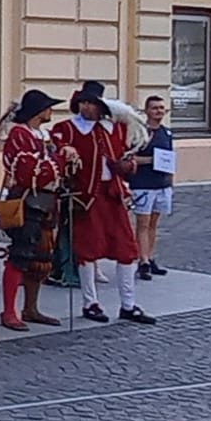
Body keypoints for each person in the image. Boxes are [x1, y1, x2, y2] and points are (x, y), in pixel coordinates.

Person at [54, 80, 153, 325]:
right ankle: (90, 302)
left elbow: (126, 157)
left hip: (113, 194)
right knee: (87, 251)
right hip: (86, 197)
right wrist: (65, 153)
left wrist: (126, 166)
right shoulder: (66, 128)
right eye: (84, 103)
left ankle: (128, 304)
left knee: (126, 250)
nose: (87, 108)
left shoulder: (114, 128)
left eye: (92, 103)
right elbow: (56, 153)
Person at [0, 89, 66, 330]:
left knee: (41, 259)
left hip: (46, 202)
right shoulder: (19, 135)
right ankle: (8, 311)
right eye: (48, 107)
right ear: (38, 111)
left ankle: (30, 308)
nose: (51, 111)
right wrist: (59, 160)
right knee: (20, 255)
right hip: (28, 202)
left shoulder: (44, 136)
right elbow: (29, 173)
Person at [129, 95, 174, 280]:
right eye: (155, 108)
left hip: (161, 185)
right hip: (143, 185)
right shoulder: (139, 132)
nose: (159, 111)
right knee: (143, 224)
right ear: (147, 111)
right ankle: (142, 261)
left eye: (162, 108)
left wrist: (170, 181)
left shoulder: (167, 133)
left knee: (154, 225)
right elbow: (128, 158)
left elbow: (170, 158)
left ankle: (149, 256)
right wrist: (151, 160)